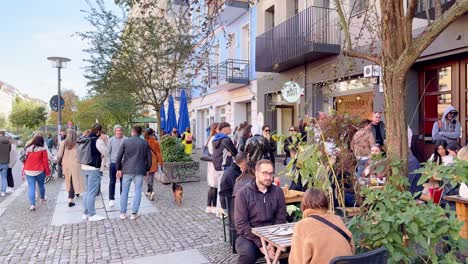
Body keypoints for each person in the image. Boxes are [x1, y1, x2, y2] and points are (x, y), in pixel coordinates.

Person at [234, 159, 287, 264]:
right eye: (265, 173)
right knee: (247, 255)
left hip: (273, 235)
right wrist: (261, 245)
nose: (268, 177)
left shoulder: (278, 192)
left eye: (271, 173)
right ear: (256, 173)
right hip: (250, 237)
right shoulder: (243, 194)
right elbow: (241, 224)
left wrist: (272, 243)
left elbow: (281, 218)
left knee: (291, 251)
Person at [289, 188, 355, 264]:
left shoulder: (301, 226)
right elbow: (351, 248)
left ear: (303, 205)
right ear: (326, 203)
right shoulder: (337, 219)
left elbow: (296, 261)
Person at [116, 126, 152, 220]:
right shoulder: (144, 143)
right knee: (138, 191)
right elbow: (149, 158)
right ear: (140, 133)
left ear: (132, 132)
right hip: (139, 170)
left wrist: (118, 169)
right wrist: (147, 170)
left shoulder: (126, 141)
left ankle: (122, 213)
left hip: (127, 170)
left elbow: (119, 157)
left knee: (124, 192)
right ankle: (134, 213)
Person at [79, 123, 107, 221]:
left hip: (84, 167)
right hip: (93, 169)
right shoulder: (97, 141)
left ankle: (85, 213)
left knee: (86, 192)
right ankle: (92, 214)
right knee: (92, 192)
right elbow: (105, 152)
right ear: (98, 131)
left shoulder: (85, 139)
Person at [212, 122, 238, 216]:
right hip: (224, 166)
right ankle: (221, 212)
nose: (230, 129)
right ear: (224, 129)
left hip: (217, 166)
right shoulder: (226, 139)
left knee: (220, 187)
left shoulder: (216, 138)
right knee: (223, 189)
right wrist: (231, 154)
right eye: (229, 127)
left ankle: (219, 211)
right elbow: (235, 152)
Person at [22, 134, 50, 211]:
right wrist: (47, 172)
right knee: (41, 185)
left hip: (29, 170)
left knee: (31, 187)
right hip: (39, 170)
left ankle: (32, 205)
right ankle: (42, 198)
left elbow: (24, 160)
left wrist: (23, 170)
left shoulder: (27, 148)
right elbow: (45, 162)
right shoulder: (43, 149)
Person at [58, 129, 85, 207]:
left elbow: (59, 154)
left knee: (69, 179)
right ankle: (70, 198)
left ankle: (76, 193)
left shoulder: (63, 143)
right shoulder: (78, 143)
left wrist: (56, 159)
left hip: (66, 163)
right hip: (75, 163)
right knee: (75, 179)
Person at [108, 125, 127, 207]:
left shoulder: (126, 140)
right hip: (113, 163)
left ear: (122, 131)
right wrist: (108, 162)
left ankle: (123, 198)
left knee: (124, 182)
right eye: (117, 130)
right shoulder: (111, 140)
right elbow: (108, 152)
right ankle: (111, 199)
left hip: (123, 163)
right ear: (115, 131)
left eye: (120, 130)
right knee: (112, 181)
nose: (119, 132)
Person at [145, 128, 163, 201]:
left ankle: (150, 191)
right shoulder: (156, 142)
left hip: (145, 162)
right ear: (153, 133)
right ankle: (150, 191)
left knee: (147, 177)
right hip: (153, 162)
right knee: (151, 177)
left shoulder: (144, 141)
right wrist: (161, 163)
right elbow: (159, 153)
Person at [206, 122, 219, 214]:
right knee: (214, 185)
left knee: (212, 186)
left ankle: (209, 206)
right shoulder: (214, 138)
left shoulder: (211, 138)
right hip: (214, 163)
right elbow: (213, 151)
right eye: (219, 128)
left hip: (212, 163)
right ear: (215, 129)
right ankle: (213, 206)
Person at [0, 131, 11, 197]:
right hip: (5, 162)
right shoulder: (8, 142)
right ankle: (3, 192)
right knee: (4, 177)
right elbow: (9, 151)